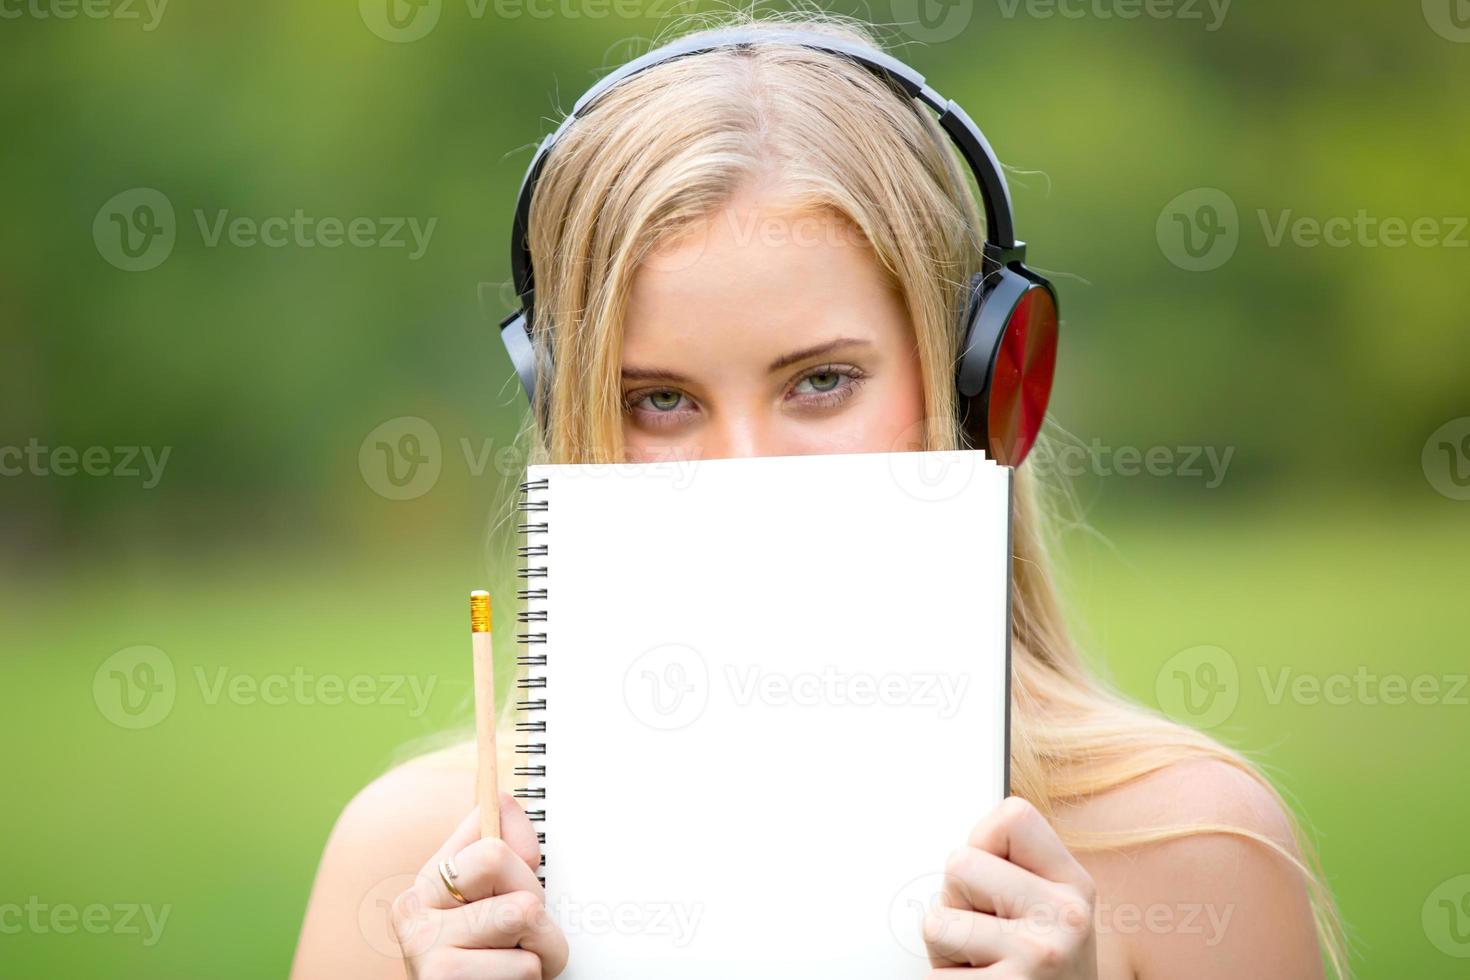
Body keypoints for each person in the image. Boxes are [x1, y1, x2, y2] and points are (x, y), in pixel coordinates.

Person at [290, 12, 1346, 979]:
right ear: (571, 428)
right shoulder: (413, 876)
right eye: (659, 399)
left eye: (821, 381)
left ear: (976, 381)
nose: (746, 469)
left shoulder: (1194, 849)